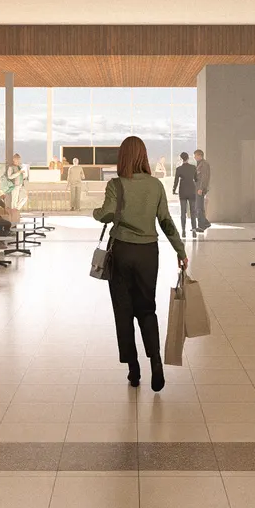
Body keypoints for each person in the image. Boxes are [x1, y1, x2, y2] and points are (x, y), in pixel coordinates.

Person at [94, 136, 188, 390]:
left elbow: (105, 213)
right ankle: (155, 362)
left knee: (123, 311)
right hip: (148, 252)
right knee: (147, 308)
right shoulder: (156, 185)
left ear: (122, 157)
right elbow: (166, 221)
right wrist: (180, 250)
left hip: (122, 251)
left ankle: (133, 369)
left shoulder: (116, 184)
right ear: (144, 156)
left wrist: (97, 213)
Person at [172, 153, 200, 237]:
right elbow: (196, 179)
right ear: (188, 158)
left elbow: (176, 181)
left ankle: (183, 231)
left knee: (183, 212)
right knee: (193, 212)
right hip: (192, 190)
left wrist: (174, 189)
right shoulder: (193, 167)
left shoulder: (179, 169)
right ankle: (194, 230)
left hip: (183, 191)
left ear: (181, 159)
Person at [192, 149, 212, 232]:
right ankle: (206, 223)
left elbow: (204, 178)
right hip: (198, 188)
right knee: (200, 207)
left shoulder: (204, 164)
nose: (194, 157)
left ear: (200, 155)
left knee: (198, 207)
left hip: (200, 189)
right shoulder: (200, 164)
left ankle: (201, 226)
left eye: (195, 155)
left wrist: (201, 188)